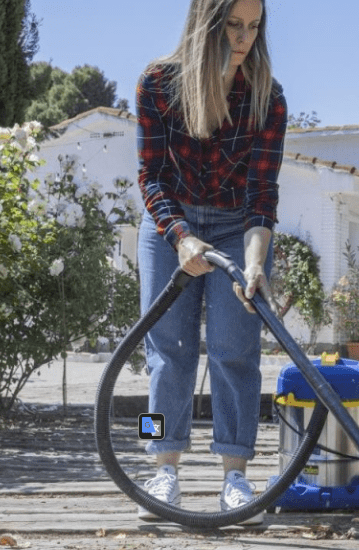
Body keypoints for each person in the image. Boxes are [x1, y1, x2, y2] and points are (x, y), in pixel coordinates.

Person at [134, 0, 286, 524]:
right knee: (164, 354)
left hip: (235, 227)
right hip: (168, 225)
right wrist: (179, 238)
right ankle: (159, 465)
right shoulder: (157, 83)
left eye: (254, 26)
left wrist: (256, 263)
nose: (244, 38)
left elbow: (262, 192)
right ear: (206, 22)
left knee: (235, 352)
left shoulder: (268, 95)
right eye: (233, 25)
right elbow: (150, 178)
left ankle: (236, 477)